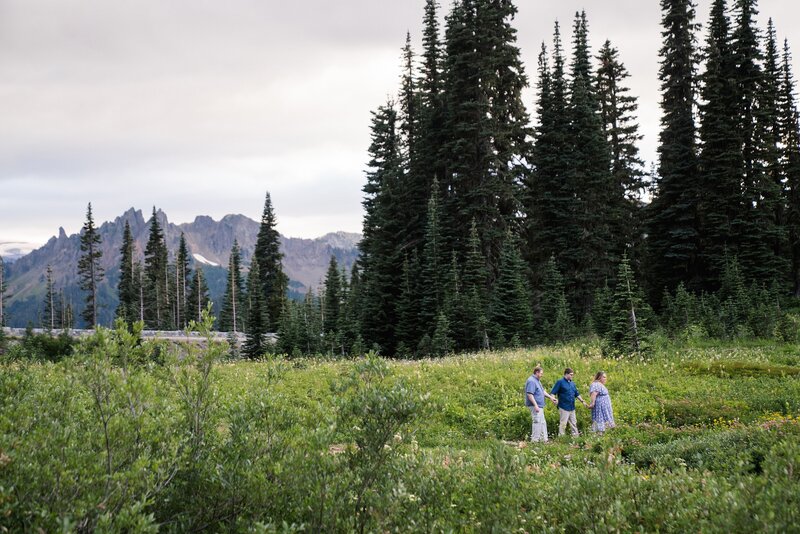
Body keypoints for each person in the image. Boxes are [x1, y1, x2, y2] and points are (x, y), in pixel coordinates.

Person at [524, 365, 558, 442]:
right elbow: (529, 394)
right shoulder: (531, 381)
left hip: (540, 405)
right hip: (535, 406)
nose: (542, 375)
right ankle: (535, 440)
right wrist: (535, 405)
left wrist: (551, 397)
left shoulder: (537, 380)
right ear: (537, 372)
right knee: (537, 422)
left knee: (542, 422)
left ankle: (544, 440)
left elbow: (542, 391)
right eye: (541, 373)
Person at [550, 368, 588, 437]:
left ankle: (576, 438)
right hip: (563, 406)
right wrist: (553, 399)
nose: (572, 376)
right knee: (563, 423)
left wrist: (583, 401)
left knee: (574, 423)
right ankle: (561, 438)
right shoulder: (560, 382)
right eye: (571, 375)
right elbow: (553, 393)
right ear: (566, 374)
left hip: (572, 407)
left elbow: (577, 394)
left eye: (572, 375)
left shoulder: (572, 383)